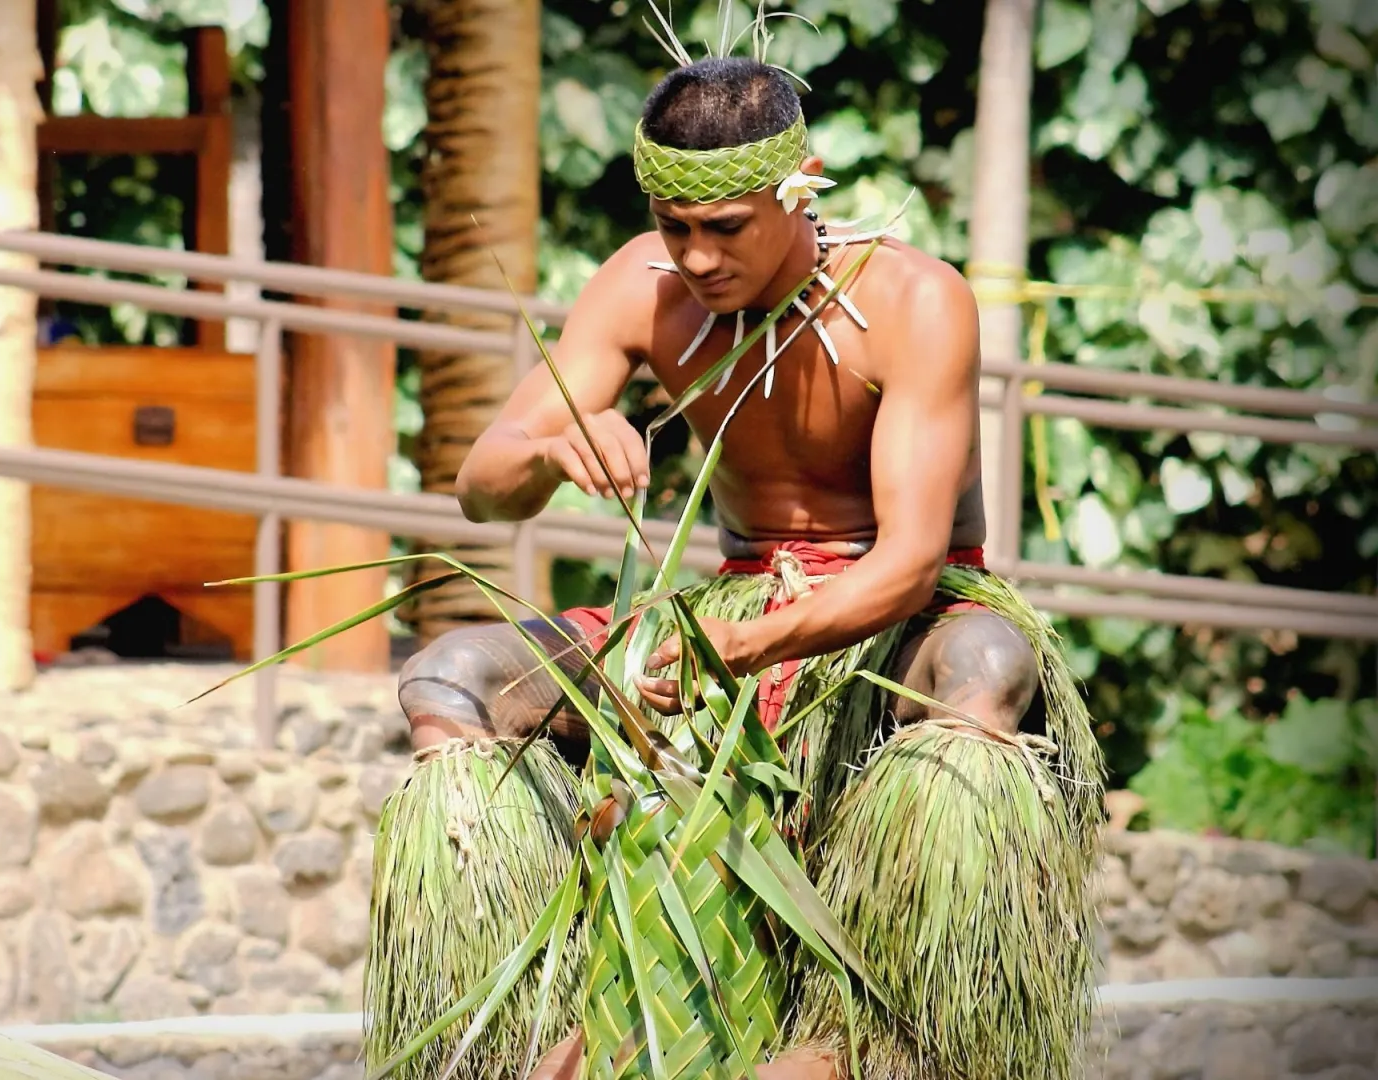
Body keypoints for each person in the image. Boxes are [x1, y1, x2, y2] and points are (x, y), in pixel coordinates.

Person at [363, 41, 1107, 1080]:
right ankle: (523, 1017)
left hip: (906, 614)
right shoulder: (643, 285)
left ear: (798, 195)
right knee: (447, 677)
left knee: (987, 670)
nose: (700, 258)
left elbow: (905, 563)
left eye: (725, 229)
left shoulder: (912, 301)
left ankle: (897, 1034)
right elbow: (481, 487)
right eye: (677, 228)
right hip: (725, 606)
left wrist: (745, 645)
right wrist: (547, 451)